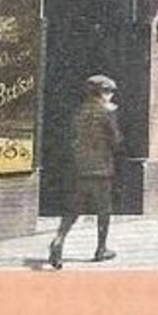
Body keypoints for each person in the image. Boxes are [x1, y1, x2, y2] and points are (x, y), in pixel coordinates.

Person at [48, 74, 124, 269]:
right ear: (99, 93)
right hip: (101, 168)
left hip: (79, 167)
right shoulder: (108, 112)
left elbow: (71, 137)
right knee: (104, 209)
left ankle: (58, 239)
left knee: (73, 208)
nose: (111, 95)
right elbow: (116, 140)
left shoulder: (79, 112)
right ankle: (101, 249)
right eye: (108, 91)